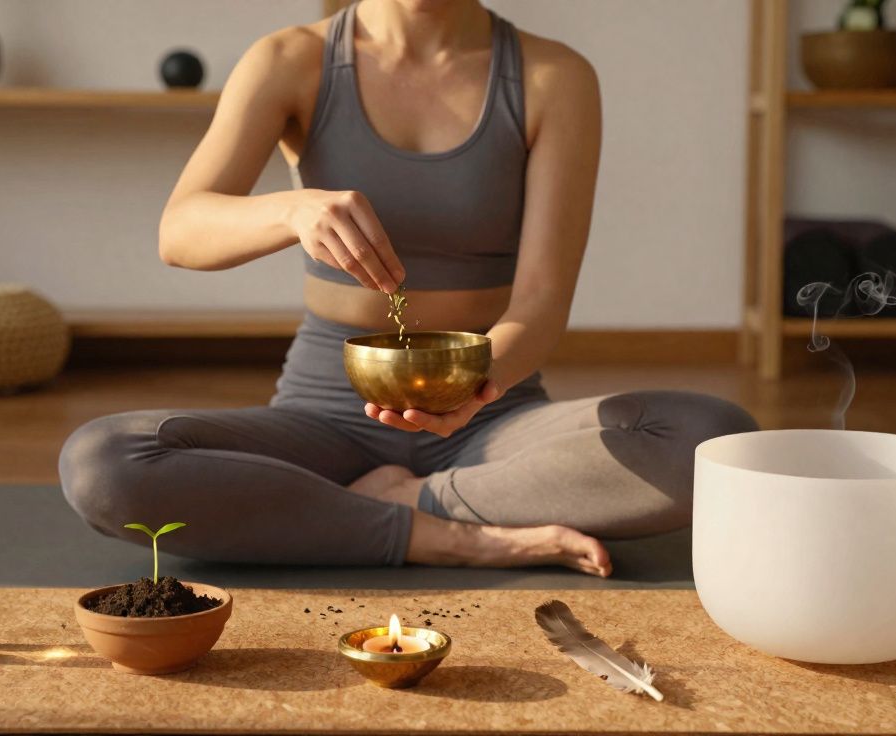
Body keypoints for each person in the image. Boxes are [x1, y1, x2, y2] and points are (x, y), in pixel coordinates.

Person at [60, 0, 756, 577]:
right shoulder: (290, 61)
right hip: (325, 418)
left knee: (712, 442)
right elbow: (180, 231)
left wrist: (478, 385)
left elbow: (541, 303)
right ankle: (444, 534)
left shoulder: (553, 76)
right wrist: (291, 209)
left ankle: (402, 500)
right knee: (104, 464)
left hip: (492, 419)